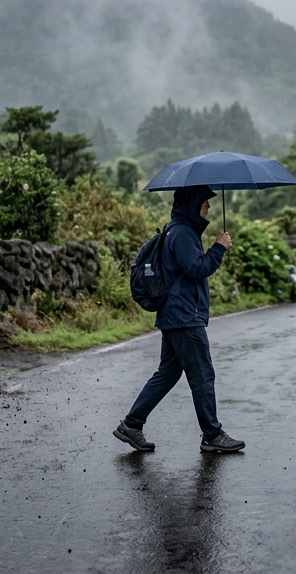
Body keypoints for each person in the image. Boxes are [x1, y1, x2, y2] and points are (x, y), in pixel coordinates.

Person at [114, 185, 246, 454]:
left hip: (175, 315)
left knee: (168, 373)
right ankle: (212, 434)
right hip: (185, 317)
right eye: (204, 202)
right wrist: (218, 249)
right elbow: (197, 269)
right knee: (203, 375)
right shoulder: (184, 233)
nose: (208, 207)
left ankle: (132, 424)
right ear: (192, 203)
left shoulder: (177, 229)